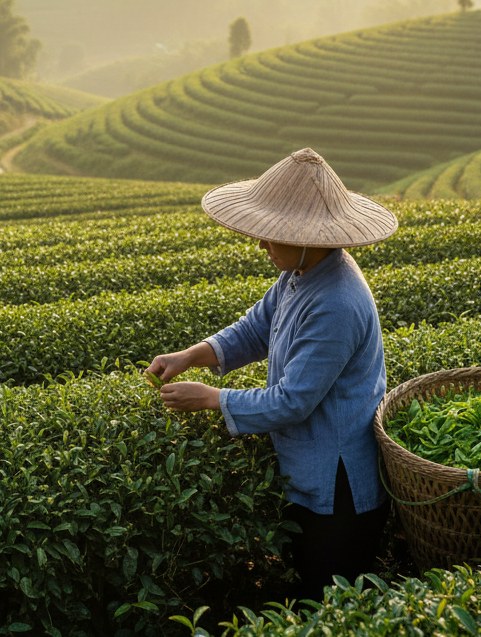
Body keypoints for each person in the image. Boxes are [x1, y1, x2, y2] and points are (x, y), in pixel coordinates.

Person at [143, 148, 397, 603]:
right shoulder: (302, 269)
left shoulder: (336, 301)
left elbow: (291, 401)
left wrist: (211, 398)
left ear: (308, 236)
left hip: (337, 488)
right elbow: (256, 328)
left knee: (327, 599)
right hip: (306, 466)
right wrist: (189, 355)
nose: (261, 244)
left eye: (272, 235)